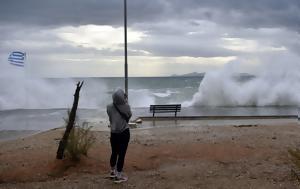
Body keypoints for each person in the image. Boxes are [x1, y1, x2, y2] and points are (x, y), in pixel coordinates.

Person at [106, 88, 132, 183]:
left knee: (114, 152)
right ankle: (119, 175)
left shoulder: (109, 107)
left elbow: (111, 118)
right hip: (124, 133)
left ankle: (112, 171)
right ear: (122, 97)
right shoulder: (126, 106)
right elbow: (129, 116)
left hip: (113, 133)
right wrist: (126, 101)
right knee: (122, 154)